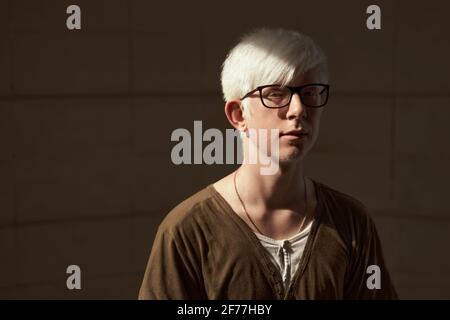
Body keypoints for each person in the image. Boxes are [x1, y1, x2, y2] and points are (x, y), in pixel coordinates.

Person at [138, 28, 398, 299]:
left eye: (309, 92)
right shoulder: (188, 230)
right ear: (239, 114)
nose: (298, 109)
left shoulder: (351, 222)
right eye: (276, 94)